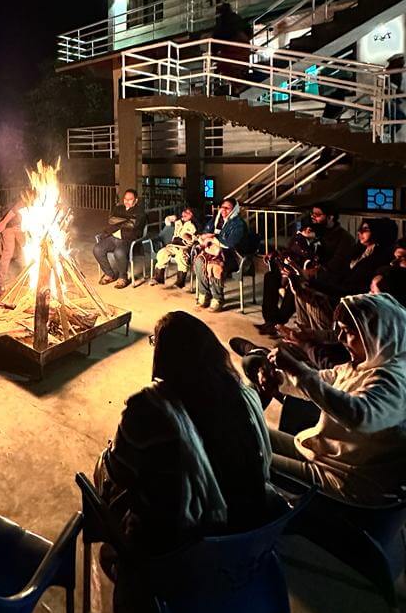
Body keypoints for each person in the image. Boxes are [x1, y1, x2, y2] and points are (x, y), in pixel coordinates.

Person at [93, 312, 270, 590]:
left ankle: (131, 568)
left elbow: (119, 472)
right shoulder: (242, 394)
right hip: (247, 536)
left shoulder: (149, 407)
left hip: (185, 547)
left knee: (104, 469)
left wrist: (111, 453)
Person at [265, 293, 406, 504]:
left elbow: (359, 416)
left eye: (348, 332)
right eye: (338, 329)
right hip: (325, 456)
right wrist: (278, 379)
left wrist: (297, 371)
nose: (340, 338)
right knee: (251, 431)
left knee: (250, 454)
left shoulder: (395, 380)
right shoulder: (362, 364)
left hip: (347, 478)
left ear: (376, 334)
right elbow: (324, 380)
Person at [256, 215, 320, 337]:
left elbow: (314, 259)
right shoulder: (298, 238)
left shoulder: (318, 241)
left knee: (294, 284)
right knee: (270, 277)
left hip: (304, 274)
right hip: (291, 268)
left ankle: (278, 322)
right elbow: (288, 252)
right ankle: (270, 320)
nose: (307, 230)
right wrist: (277, 255)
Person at [192, 197, 247, 311]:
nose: (223, 210)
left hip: (231, 255)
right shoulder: (216, 219)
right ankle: (204, 294)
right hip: (213, 251)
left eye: (227, 208)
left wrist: (213, 238)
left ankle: (218, 298)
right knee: (198, 261)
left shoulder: (239, 224)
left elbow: (231, 243)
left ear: (234, 210)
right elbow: (206, 232)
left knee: (214, 266)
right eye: (222, 207)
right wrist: (204, 236)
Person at [92, 189, 147, 289]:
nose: (127, 201)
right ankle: (109, 274)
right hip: (113, 237)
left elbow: (133, 225)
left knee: (119, 252)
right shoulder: (119, 208)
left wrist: (120, 221)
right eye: (125, 199)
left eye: (130, 199)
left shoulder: (140, 212)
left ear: (136, 200)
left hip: (128, 240)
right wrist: (127, 221)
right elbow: (111, 221)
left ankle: (123, 278)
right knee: (97, 249)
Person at [150, 205, 199, 288]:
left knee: (181, 258)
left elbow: (196, 238)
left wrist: (188, 237)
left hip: (184, 247)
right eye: (185, 212)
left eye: (189, 213)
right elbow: (167, 222)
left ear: (193, 216)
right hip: (172, 246)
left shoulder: (193, 225)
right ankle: (158, 278)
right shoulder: (178, 222)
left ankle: (180, 282)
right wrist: (171, 218)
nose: (185, 214)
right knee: (162, 253)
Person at [211, 0, 251, 94]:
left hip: (232, 46)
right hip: (243, 44)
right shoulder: (236, 17)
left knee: (224, 66)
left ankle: (239, 86)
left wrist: (214, 53)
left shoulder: (222, 21)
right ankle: (240, 85)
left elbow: (217, 36)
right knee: (237, 67)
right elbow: (248, 30)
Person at [0, 198, 26, 296]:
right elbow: (14, 210)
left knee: (26, 245)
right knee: (8, 253)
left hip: (18, 225)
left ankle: (28, 275)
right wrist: (3, 223)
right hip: (8, 225)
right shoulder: (26, 197)